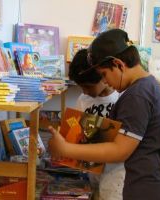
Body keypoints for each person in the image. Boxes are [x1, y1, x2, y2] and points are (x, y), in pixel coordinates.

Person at [48, 29, 160, 200]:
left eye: (104, 74)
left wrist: (66, 149)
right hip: (142, 183)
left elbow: (120, 150)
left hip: (137, 187)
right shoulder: (148, 86)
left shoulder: (137, 95)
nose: (105, 81)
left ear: (119, 64)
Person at [68, 48, 124, 199]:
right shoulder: (83, 100)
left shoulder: (121, 98)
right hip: (92, 169)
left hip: (117, 173)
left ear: (102, 77)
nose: (85, 92)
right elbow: (79, 131)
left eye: (88, 86)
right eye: (81, 87)